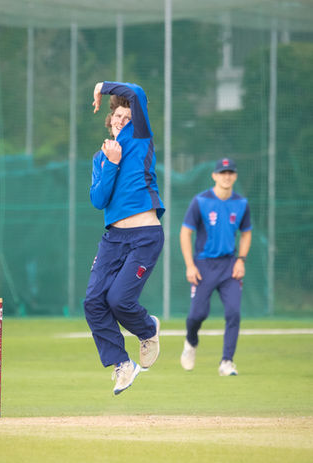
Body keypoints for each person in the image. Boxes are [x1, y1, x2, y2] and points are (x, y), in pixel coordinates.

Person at [84, 81, 165, 395]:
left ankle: (147, 329)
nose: (120, 120)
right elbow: (98, 199)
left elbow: (137, 93)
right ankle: (122, 363)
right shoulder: (102, 156)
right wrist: (112, 163)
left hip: (145, 235)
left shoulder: (141, 137)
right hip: (113, 238)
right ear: (109, 120)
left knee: (119, 300)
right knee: (93, 302)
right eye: (116, 116)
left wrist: (102, 87)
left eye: (126, 117)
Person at [179, 158, 252, 376]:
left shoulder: (241, 203)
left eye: (230, 172)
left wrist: (241, 259)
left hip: (230, 265)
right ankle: (191, 343)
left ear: (235, 176)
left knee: (233, 312)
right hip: (203, 264)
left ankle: (226, 362)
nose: (226, 176)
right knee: (197, 315)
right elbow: (185, 232)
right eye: (222, 172)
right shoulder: (200, 201)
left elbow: (246, 232)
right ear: (214, 176)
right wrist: (190, 265)